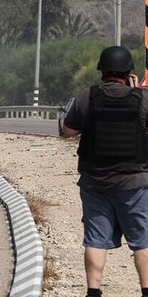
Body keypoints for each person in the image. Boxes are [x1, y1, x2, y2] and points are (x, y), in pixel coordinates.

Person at [63, 45, 148, 297]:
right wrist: (137, 93)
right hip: (134, 183)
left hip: (94, 183)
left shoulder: (86, 97)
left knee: (95, 240)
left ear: (101, 70)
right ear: (128, 71)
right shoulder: (143, 99)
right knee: (142, 240)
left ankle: (93, 292)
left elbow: (68, 132)